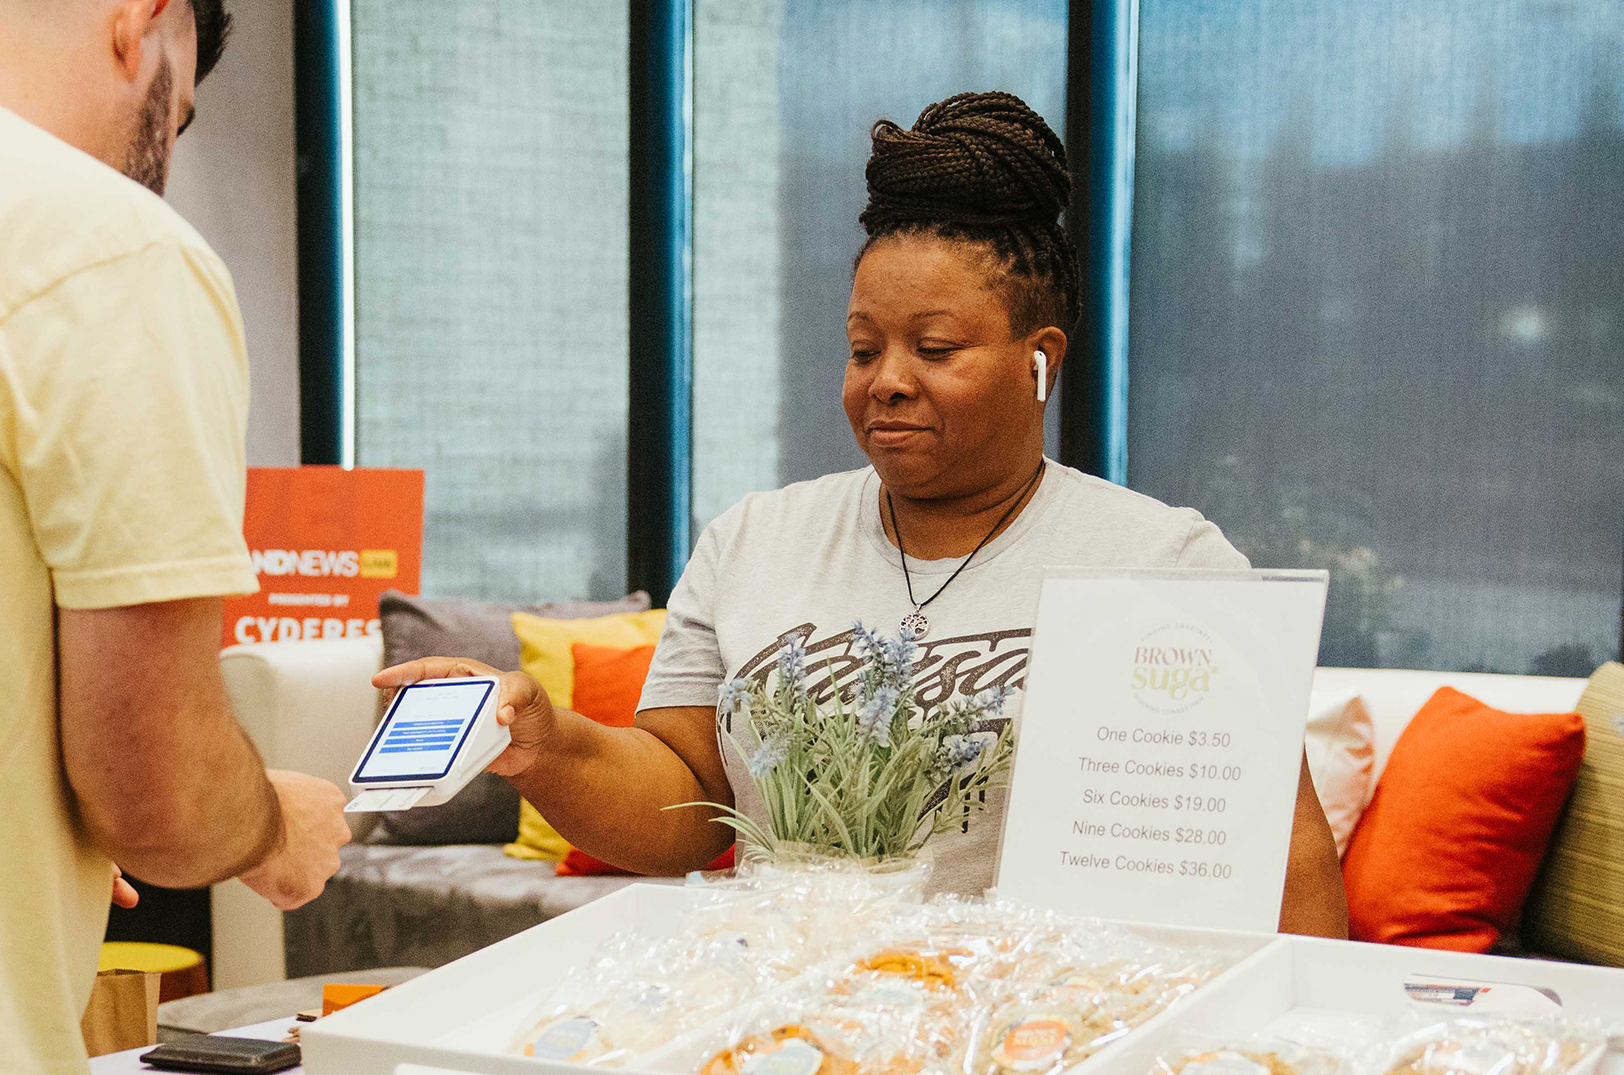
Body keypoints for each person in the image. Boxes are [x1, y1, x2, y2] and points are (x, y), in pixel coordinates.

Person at [379, 92, 1348, 937]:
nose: (885, 381)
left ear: (1039, 359)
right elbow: (685, 801)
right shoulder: (752, 540)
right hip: (790, 1024)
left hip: (1036, 1034)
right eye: (861, 348)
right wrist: (549, 744)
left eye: (935, 348)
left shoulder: (1166, 563)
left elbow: (1283, 861)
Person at [0, 2, 351, 1070]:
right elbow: (156, 791)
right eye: (179, 116)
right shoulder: (106, 246)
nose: (161, 166)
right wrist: (272, 826)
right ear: (143, 21)